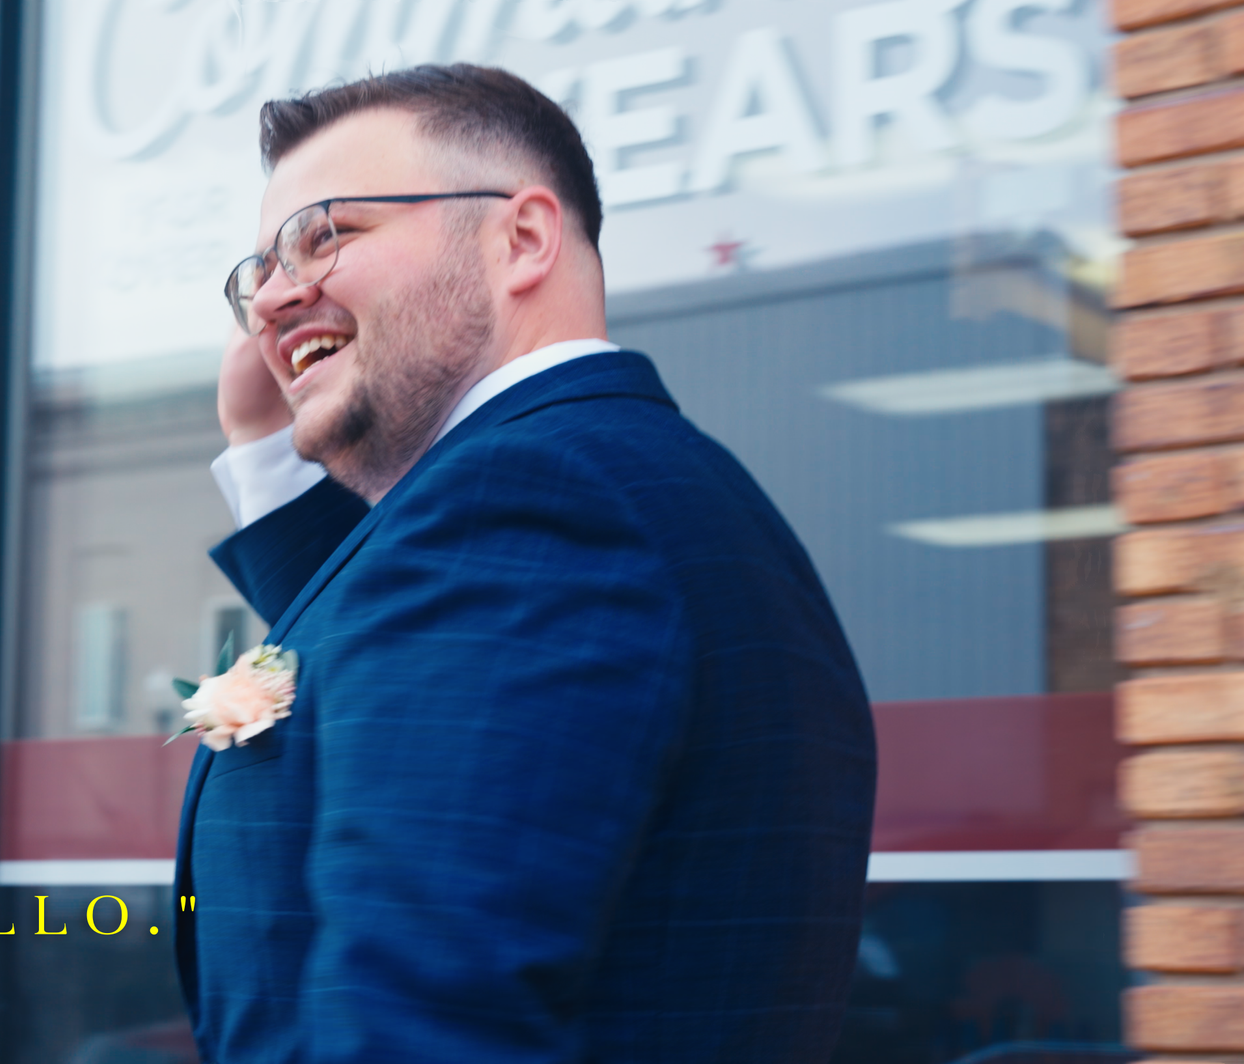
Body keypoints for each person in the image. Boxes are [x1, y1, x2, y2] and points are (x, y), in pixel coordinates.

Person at [172, 65, 876, 1062]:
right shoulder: (588, 489)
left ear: (523, 238)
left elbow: (422, 1023)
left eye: (325, 236)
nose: (275, 297)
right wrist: (268, 459)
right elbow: (385, 703)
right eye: (259, 272)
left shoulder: (530, 504)